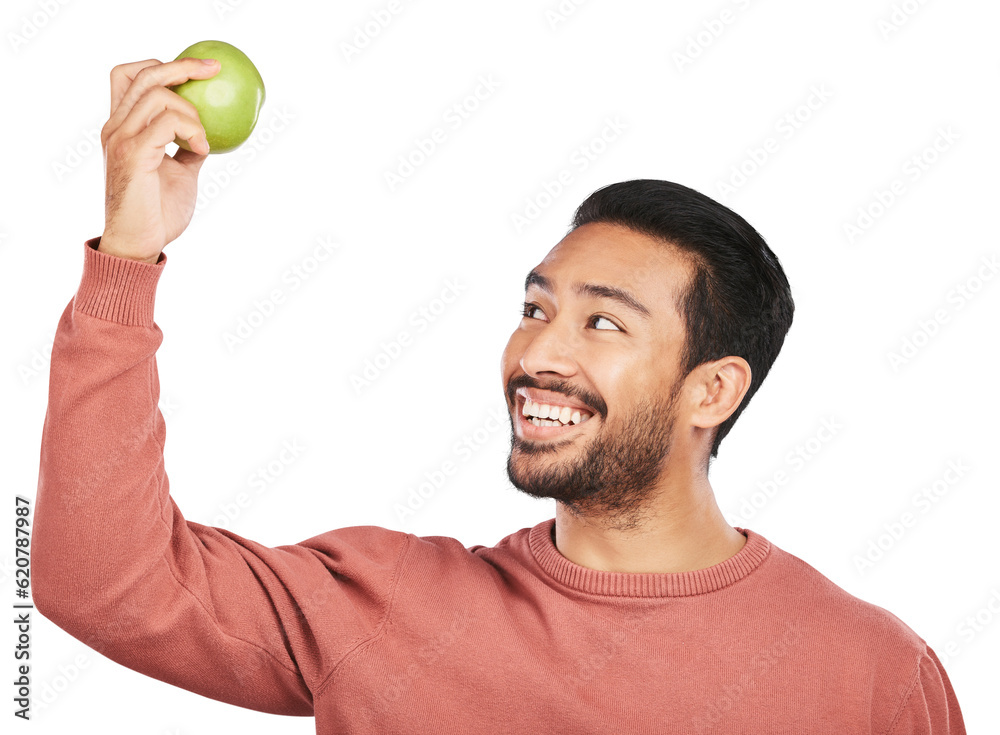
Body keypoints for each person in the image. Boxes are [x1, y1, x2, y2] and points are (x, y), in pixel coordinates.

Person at [32, 57, 966, 733]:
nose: (536, 353)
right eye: (534, 307)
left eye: (603, 323)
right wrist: (126, 258)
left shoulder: (874, 677)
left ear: (712, 390)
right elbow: (107, 583)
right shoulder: (388, 609)